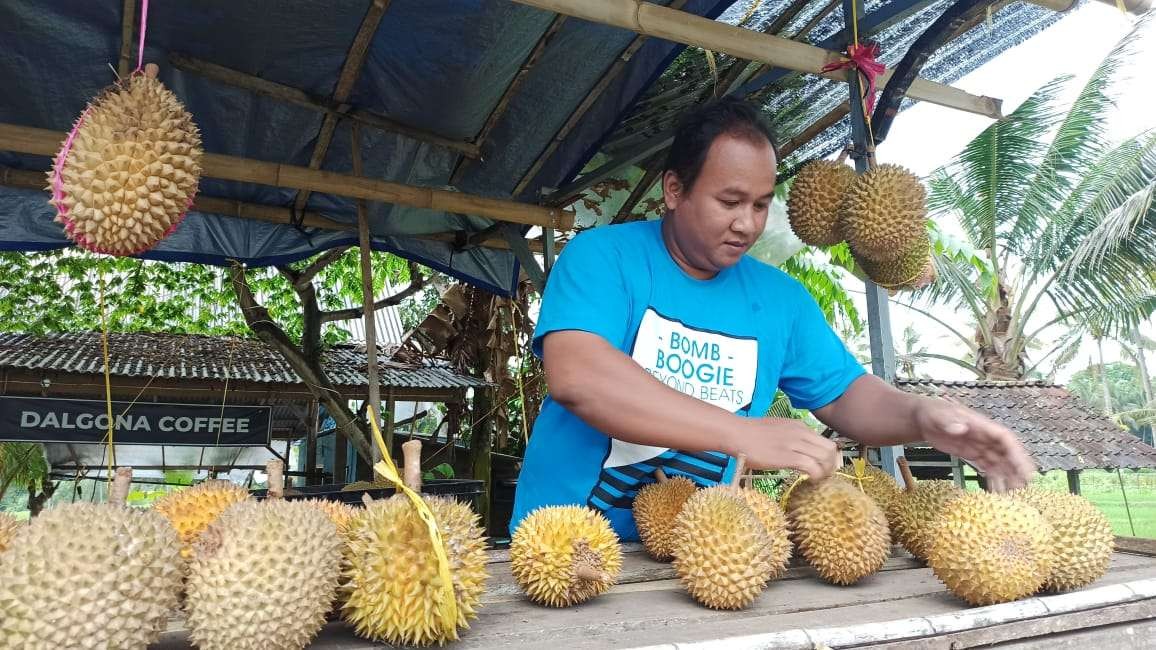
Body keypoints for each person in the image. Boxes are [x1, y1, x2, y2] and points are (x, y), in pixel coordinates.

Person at [509, 97, 1035, 542]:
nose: (747, 224)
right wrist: (740, 432)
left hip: (702, 556)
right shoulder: (603, 258)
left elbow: (846, 395)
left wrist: (924, 416)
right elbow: (579, 376)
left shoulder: (780, 300)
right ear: (674, 190)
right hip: (564, 549)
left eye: (761, 204)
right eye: (729, 201)